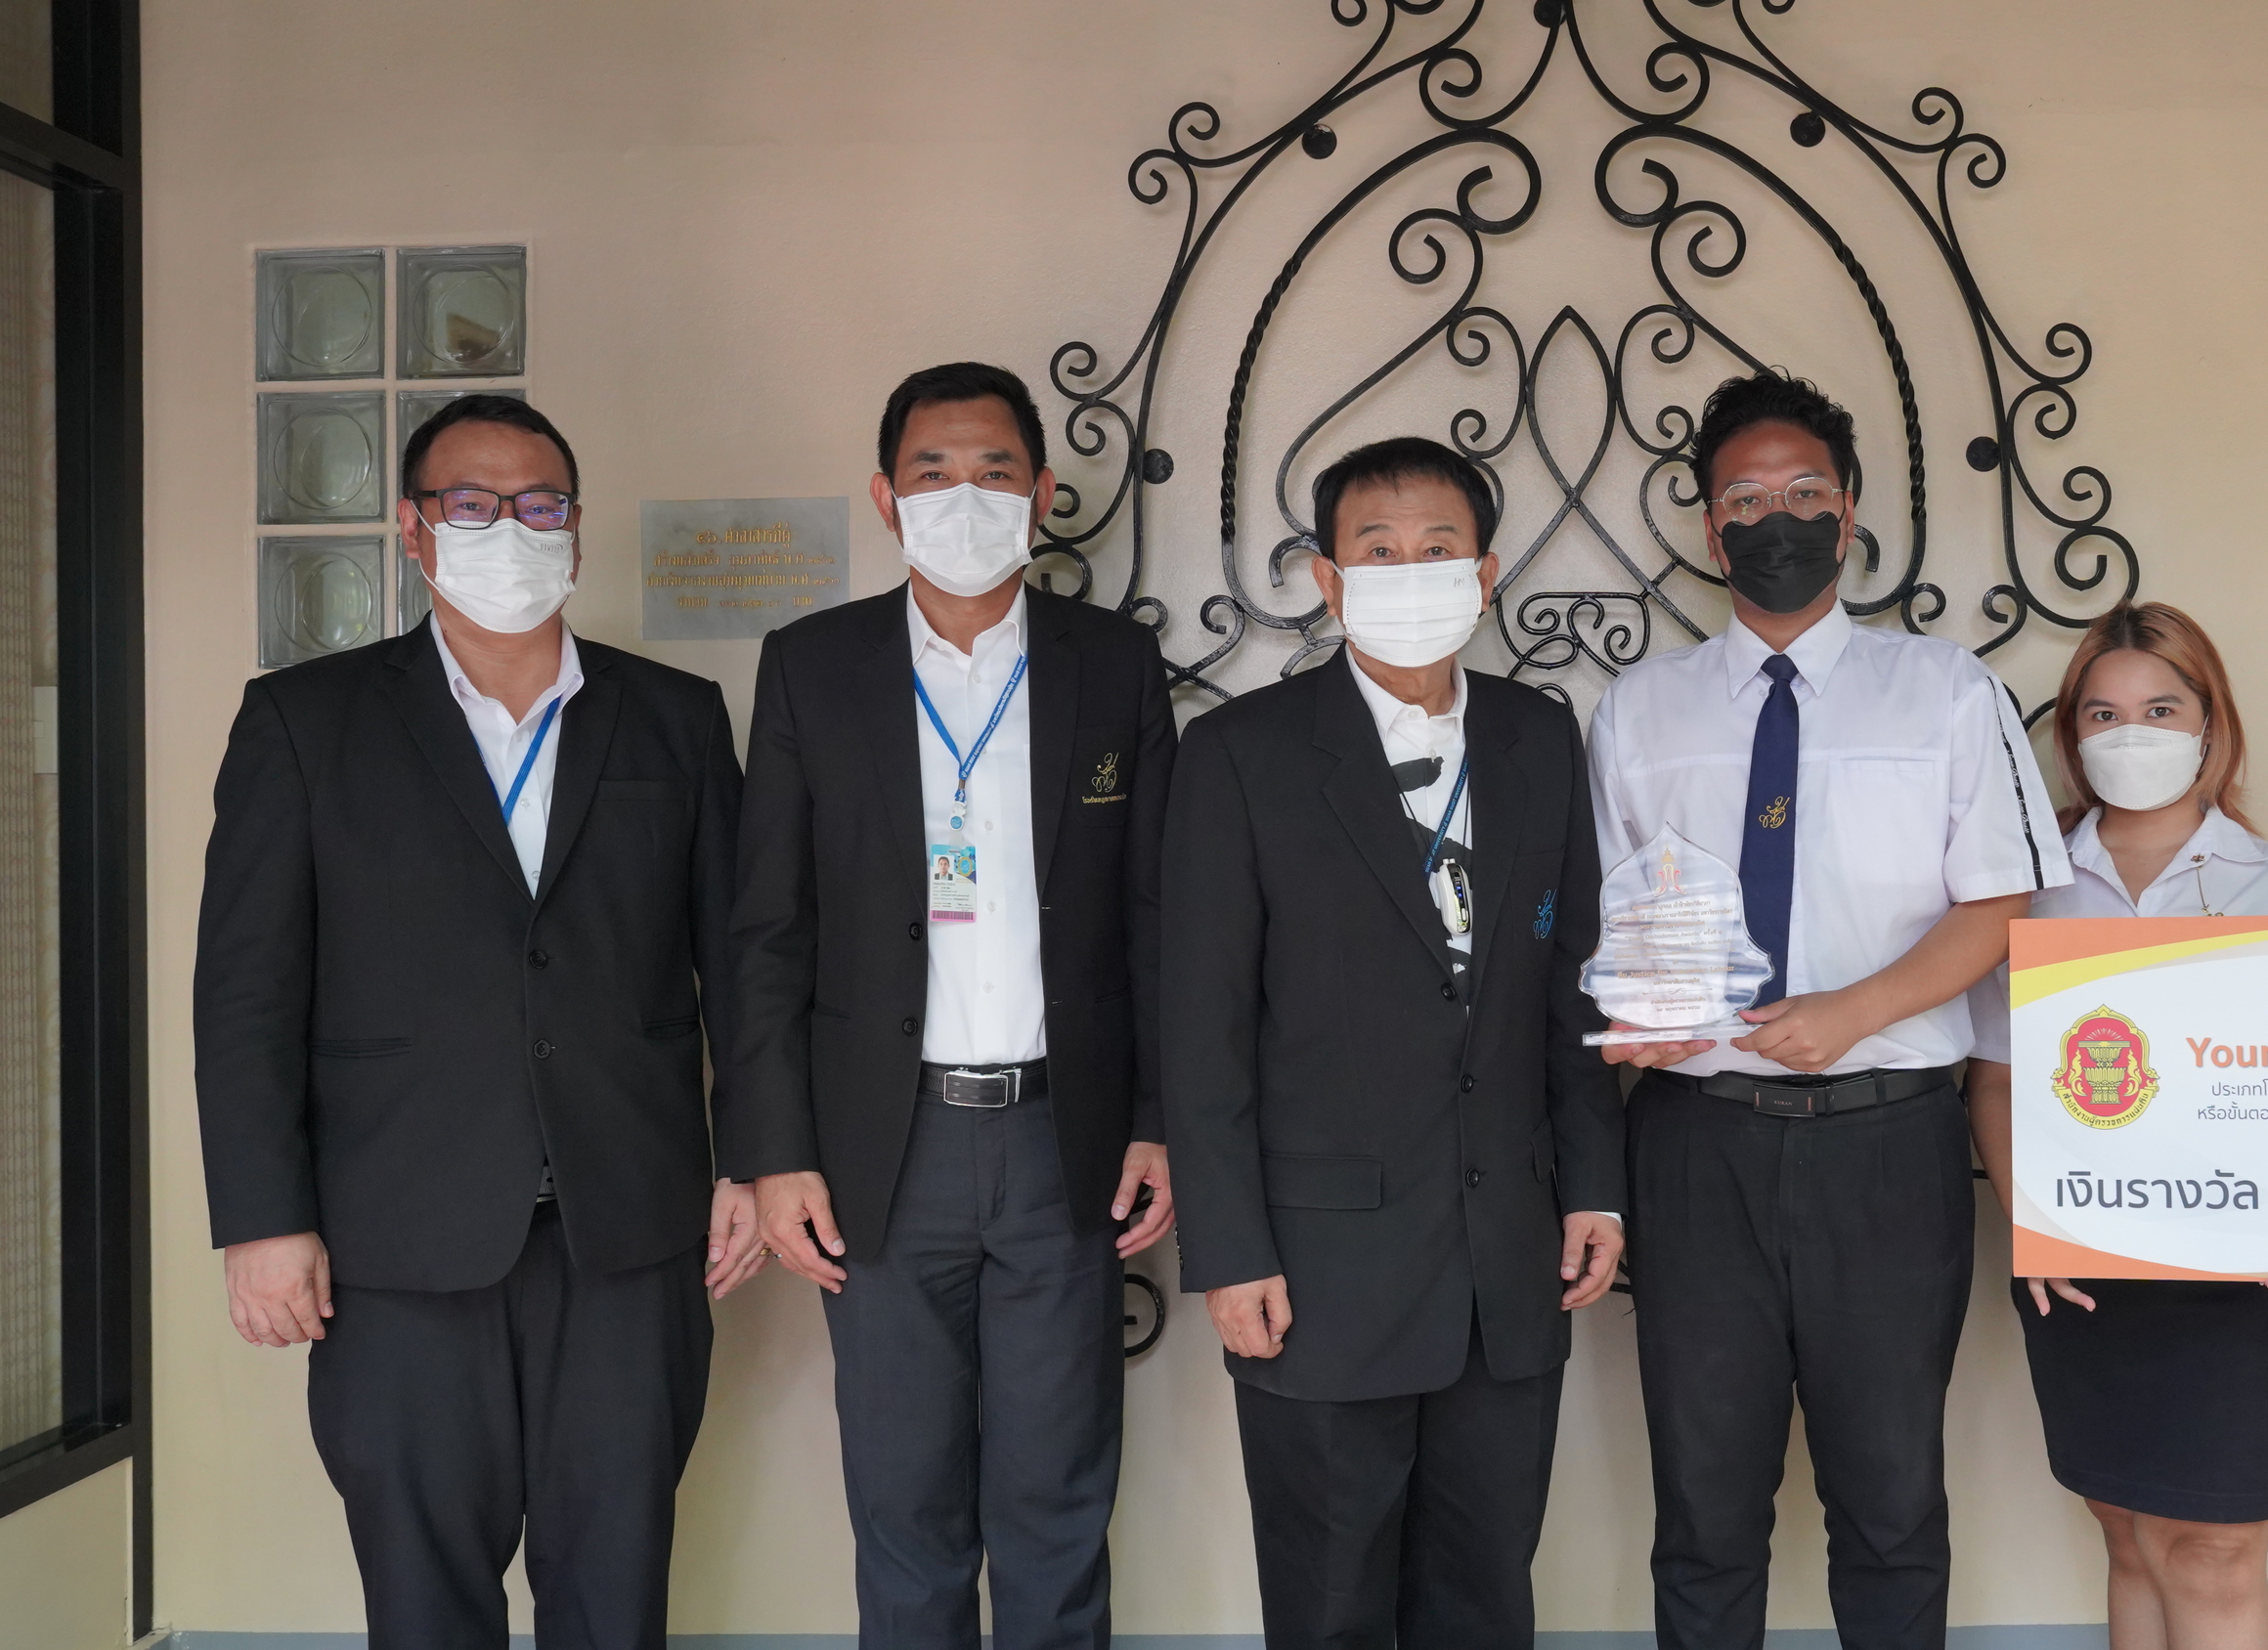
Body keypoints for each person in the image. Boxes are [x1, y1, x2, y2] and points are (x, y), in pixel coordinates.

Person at [196, 394, 757, 1649]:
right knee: (425, 1598)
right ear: (414, 528)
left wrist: (755, 1158)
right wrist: (263, 1218)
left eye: (539, 505)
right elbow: (244, 993)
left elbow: (742, 963)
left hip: (628, 1236)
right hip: (396, 1243)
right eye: (472, 503)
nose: (511, 527)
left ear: (576, 528)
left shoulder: (674, 716)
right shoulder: (305, 721)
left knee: (615, 1590)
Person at [1586, 370, 2071, 1650]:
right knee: (1703, 1510)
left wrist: (1856, 1010)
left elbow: (2003, 899)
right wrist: (1639, 1007)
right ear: (1711, 529)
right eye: (1745, 500)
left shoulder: (1948, 690)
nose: (1777, 519)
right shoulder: (1641, 709)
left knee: (1892, 1503)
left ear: (1848, 513)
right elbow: (1616, 913)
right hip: (1695, 1146)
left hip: (1889, 1143)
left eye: (1804, 492)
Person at [719, 362, 1178, 1650]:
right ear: (886, 497)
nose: (963, 497)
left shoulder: (1113, 665)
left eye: (993, 472)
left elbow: (1156, 916)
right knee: (904, 1506)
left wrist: (1157, 1118)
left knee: (1057, 1505)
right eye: (933, 473)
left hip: (1064, 1140)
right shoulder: (813, 667)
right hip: (881, 1148)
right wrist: (774, 1153)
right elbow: (768, 932)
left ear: (1041, 493)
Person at [1161, 436, 1627, 1649]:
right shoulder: (1242, 753)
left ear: (1484, 573)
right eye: (1379, 550)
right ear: (1329, 578)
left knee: (1486, 1590)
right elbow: (1202, 1027)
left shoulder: (1537, 734)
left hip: (1507, 1254)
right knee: (1331, 1599)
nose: (1409, 571)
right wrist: (1229, 1249)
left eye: (1437, 548)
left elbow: (1569, 986)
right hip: (1319, 1265)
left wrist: (1595, 1187)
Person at [1961, 601, 2268, 1650]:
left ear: (2212, 724)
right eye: (2104, 713)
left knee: (2214, 1553)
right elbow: (1994, 1080)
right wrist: (2034, 1225)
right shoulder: (2029, 892)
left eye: (2162, 708)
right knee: (2128, 1537)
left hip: (2250, 1275)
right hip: (2087, 1265)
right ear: (2074, 736)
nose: (2133, 733)